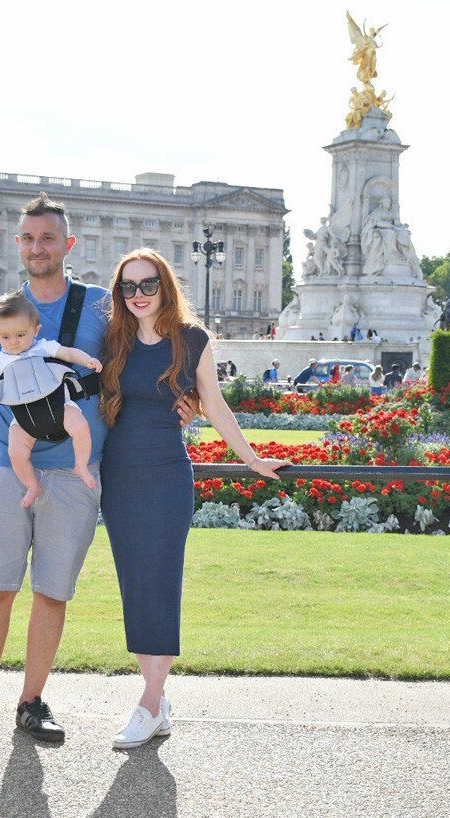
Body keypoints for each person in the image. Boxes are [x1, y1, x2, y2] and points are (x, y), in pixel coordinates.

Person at [0, 192, 196, 745]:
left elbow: (158, 354)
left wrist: (188, 400)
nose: (37, 247)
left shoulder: (100, 307)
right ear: (17, 245)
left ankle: (32, 701)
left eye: (47, 238)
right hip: (4, 463)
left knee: (52, 592)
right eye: (27, 238)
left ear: (67, 245)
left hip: (75, 470)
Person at [99, 249, 287, 748]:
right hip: (118, 478)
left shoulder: (193, 340)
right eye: (128, 288)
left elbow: (216, 404)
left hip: (165, 478)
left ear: (166, 286)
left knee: (160, 582)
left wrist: (253, 459)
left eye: (148, 285)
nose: (138, 296)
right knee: (134, 585)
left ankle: (148, 700)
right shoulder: (112, 339)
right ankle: (157, 703)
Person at [0, 291, 103, 507]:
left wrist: (88, 360)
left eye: (20, 335)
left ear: (35, 331)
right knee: (16, 451)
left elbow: (70, 353)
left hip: (60, 406)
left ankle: (81, 465)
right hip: (22, 418)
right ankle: (32, 485)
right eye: (5, 337)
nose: (13, 342)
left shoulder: (43, 346)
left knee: (81, 426)